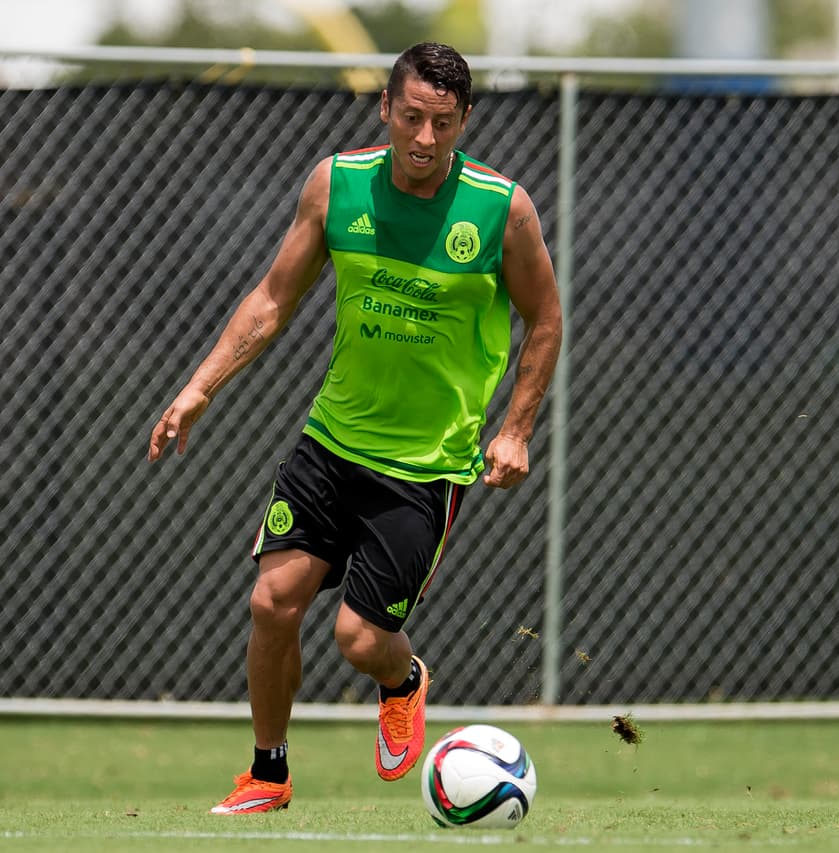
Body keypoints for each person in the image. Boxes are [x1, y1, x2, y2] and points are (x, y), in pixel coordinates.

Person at [147, 42, 562, 814]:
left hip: (426, 465)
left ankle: (402, 679)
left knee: (359, 641)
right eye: (412, 117)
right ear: (385, 107)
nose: (425, 138)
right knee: (272, 602)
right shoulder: (336, 185)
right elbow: (273, 299)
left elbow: (546, 319)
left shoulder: (503, 208)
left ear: (466, 119)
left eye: (443, 123)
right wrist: (199, 387)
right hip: (331, 443)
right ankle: (267, 774)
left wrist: (515, 429)